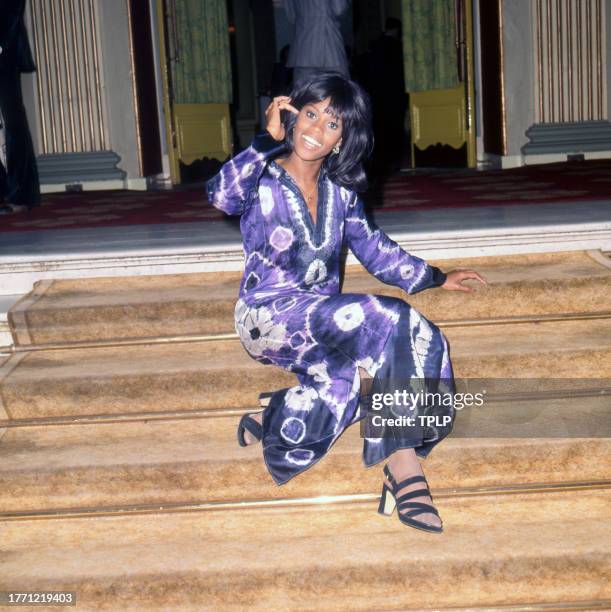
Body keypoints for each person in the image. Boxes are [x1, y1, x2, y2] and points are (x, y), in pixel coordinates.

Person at [206, 72, 486, 533]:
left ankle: (275, 415)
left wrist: (436, 277)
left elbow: (375, 249)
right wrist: (262, 140)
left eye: (332, 123)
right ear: (291, 117)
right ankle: (402, 464)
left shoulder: (341, 194)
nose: (316, 128)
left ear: (343, 138)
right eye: (310, 114)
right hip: (268, 316)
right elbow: (220, 195)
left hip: (326, 321)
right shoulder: (262, 178)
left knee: (378, 362)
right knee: (387, 317)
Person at [0, 0, 40, 215]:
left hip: (5, 52)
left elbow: (12, 7)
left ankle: (22, 194)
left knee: (14, 121)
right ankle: (3, 191)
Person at [284, 0, 350, 84]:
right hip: (329, 46)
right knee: (339, 90)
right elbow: (339, 9)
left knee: (304, 92)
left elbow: (291, 16)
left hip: (302, 48)